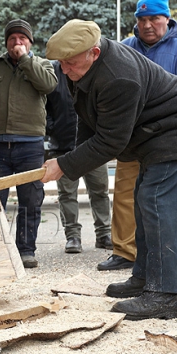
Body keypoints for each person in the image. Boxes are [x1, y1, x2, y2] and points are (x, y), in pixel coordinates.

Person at [42, 19, 177, 320]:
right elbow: (88, 119)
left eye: (70, 64)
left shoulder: (118, 76)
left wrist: (65, 166)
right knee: (145, 204)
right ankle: (144, 277)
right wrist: (70, 156)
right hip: (151, 132)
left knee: (156, 204)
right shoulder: (78, 66)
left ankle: (165, 296)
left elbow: (110, 142)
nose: (64, 70)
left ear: (94, 52)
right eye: (61, 64)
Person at [97, 0, 177, 271]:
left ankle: (167, 250)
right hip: (133, 139)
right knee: (126, 195)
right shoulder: (124, 48)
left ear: (167, 18)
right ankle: (125, 252)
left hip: (174, 140)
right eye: (142, 20)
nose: (147, 25)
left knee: (171, 199)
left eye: (154, 18)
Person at [0, 18, 57, 268]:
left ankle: (26, 250)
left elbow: (49, 86)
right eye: (12, 39)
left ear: (30, 42)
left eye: (22, 39)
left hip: (29, 145)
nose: (17, 43)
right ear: (6, 42)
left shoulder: (42, 65)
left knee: (30, 200)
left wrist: (26, 61)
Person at [45, 61, 112, 254]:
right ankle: (72, 236)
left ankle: (104, 234)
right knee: (67, 194)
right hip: (63, 146)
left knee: (100, 191)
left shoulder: (91, 67)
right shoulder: (52, 72)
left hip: (93, 146)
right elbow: (45, 105)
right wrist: (52, 127)